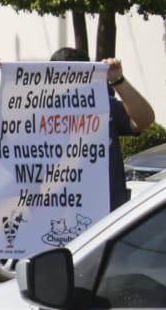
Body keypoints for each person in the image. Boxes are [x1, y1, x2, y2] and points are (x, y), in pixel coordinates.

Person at [48, 46, 155, 208]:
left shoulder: (103, 106)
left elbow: (144, 119)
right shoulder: (41, 118)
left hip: (108, 215)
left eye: (81, 76)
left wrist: (118, 80)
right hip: (64, 216)